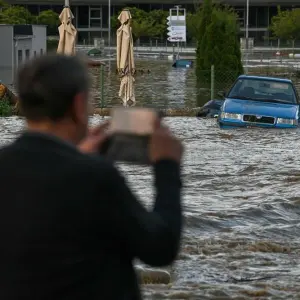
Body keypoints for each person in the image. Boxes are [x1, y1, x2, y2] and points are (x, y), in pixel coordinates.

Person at [0, 54, 184, 300]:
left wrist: (79, 155)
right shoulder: (96, 178)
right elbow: (160, 247)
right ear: (77, 105)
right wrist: (167, 166)